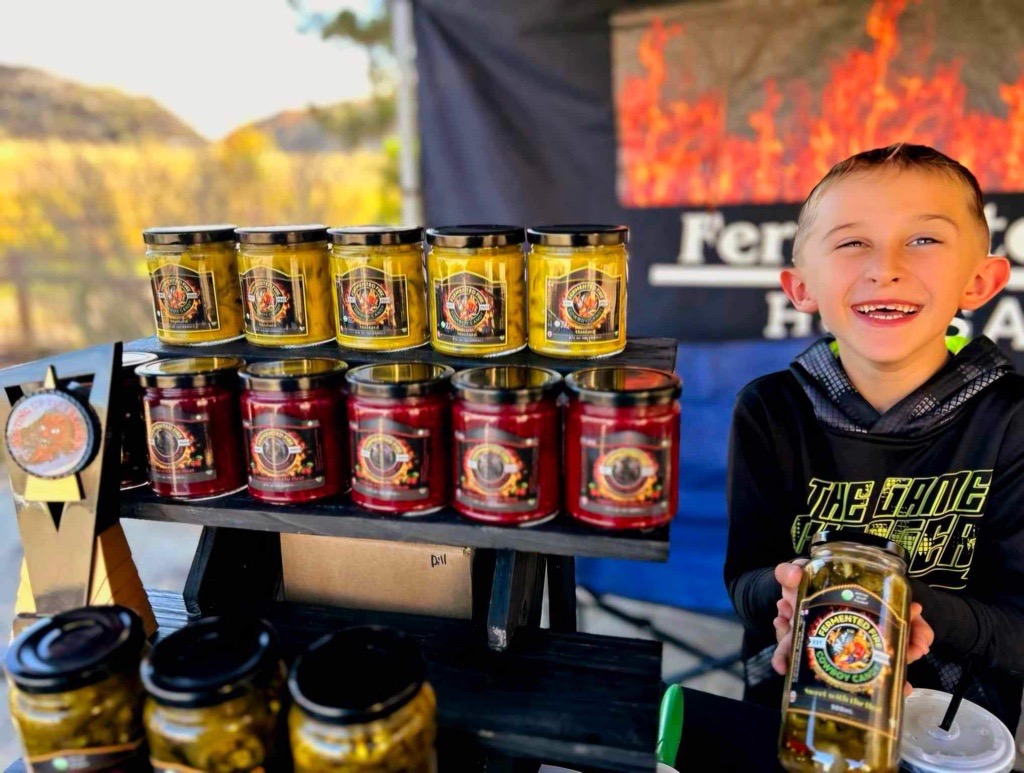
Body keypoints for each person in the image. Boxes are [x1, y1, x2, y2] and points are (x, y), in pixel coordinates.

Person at [724, 143, 1024, 730]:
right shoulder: (770, 409)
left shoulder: (1010, 419)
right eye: (851, 242)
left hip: (953, 735)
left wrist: (899, 605)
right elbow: (745, 581)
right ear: (801, 287)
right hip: (796, 719)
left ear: (981, 280)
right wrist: (787, 593)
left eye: (924, 240)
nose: (885, 266)